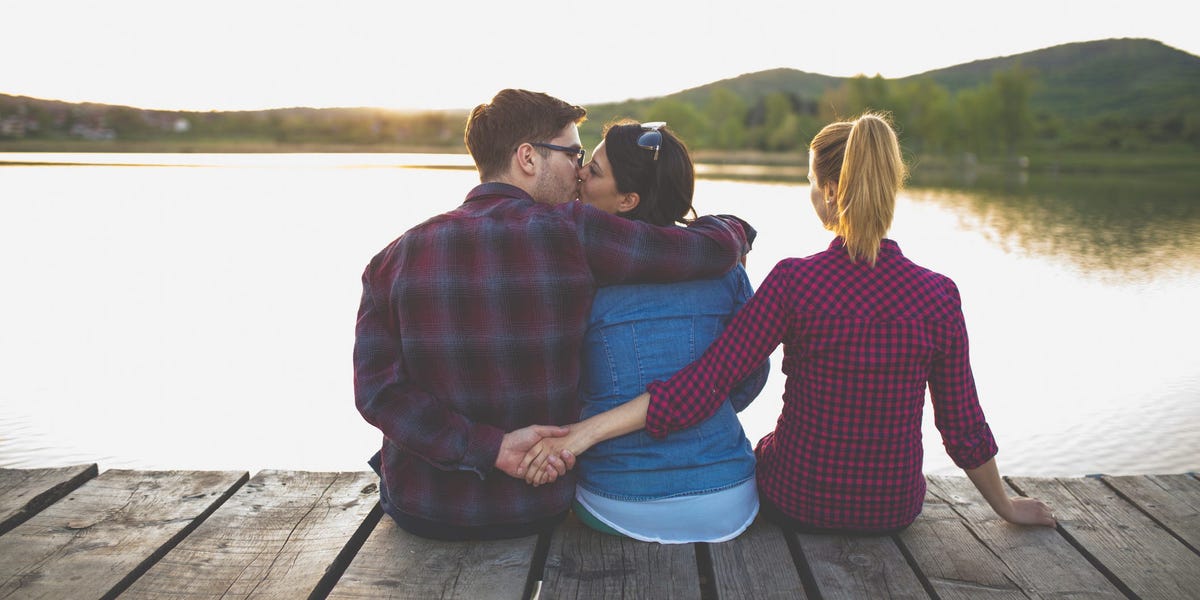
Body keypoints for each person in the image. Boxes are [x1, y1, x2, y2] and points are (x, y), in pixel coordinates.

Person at [522, 113, 1056, 533]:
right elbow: (961, 426)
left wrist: (582, 434)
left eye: (808, 182)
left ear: (827, 193)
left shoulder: (797, 281)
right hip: (894, 510)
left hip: (799, 500)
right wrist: (1005, 506)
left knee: (765, 450)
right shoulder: (938, 295)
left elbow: (703, 387)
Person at [352, 89, 753, 541]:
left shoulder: (390, 260)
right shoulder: (573, 233)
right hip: (535, 505)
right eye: (573, 154)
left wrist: (492, 449)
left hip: (424, 510)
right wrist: (734, 229)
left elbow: (376, 394)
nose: (578, 171)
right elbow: (696, 251)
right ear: (528, 157)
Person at [542, 121, 770, 542]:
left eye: (593, 170)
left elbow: (561, 386)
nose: (580, 175)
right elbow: (750, 379)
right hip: (730, 498)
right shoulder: (723, 265)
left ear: (628, 200)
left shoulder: (579, 271)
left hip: (619, 500)